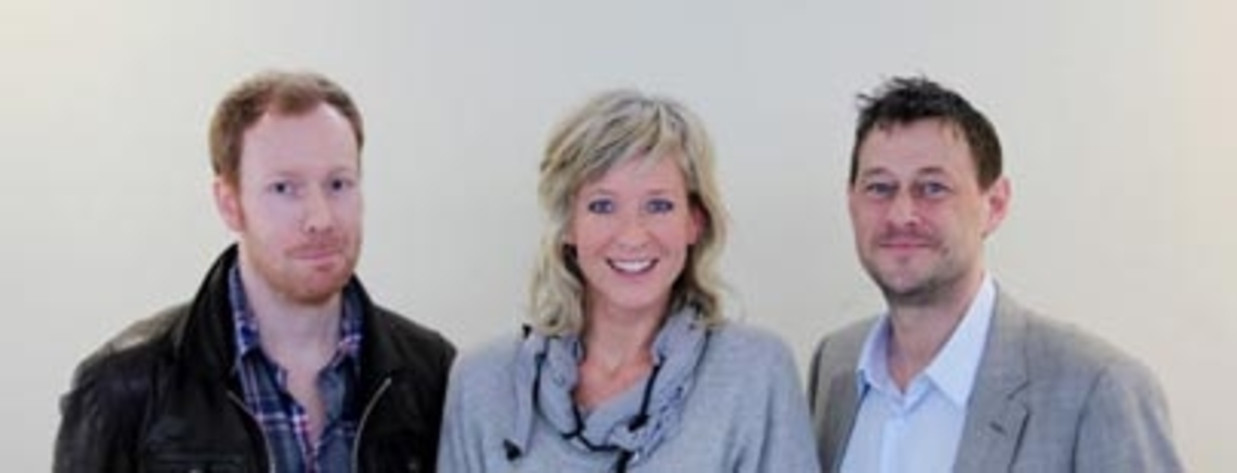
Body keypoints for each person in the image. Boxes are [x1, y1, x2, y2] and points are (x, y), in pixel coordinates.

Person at [54, 70, 455, 473]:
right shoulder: (125, 386)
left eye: (338, 184)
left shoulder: (434, 374)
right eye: (284, 188)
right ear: (229, 203)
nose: (321, 219)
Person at [808, 76, 1183, 472]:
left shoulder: (1098, 389)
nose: (901, 215)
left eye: (932, 188)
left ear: (995, 205)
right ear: (851, 202)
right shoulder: (836, 363)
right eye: (880, 188)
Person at [437, 89, 819, 472]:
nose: (632, 235)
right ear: (568, 224)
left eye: (658, 205)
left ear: (695, 221)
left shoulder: (755, 373)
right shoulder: (483, 384)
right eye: (602, 205)